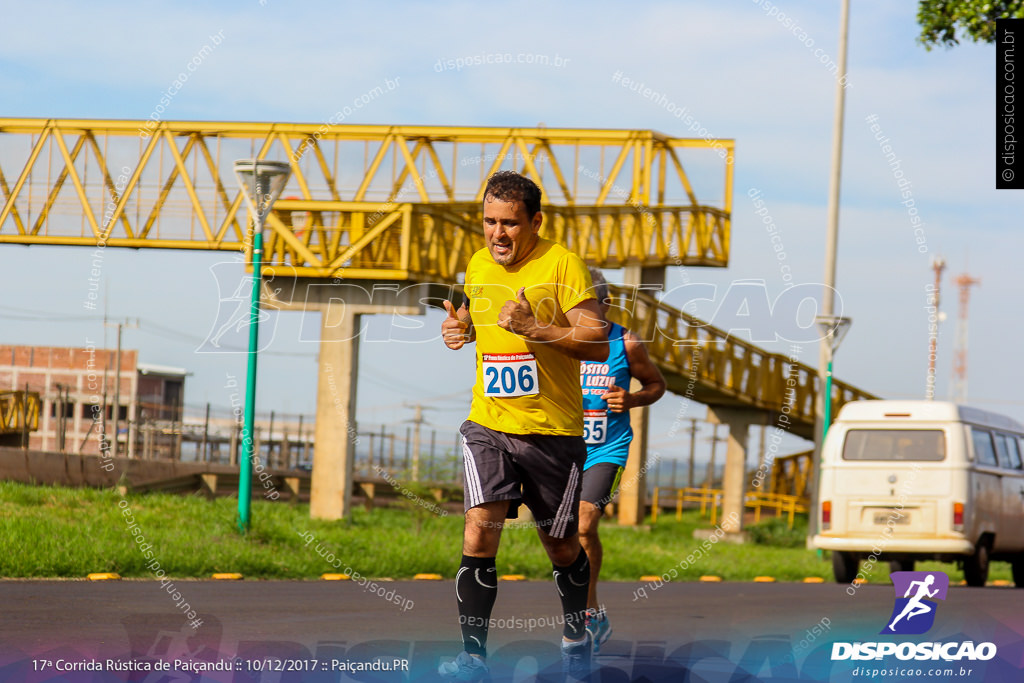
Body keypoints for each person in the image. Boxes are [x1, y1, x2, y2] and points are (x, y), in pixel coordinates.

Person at [438, 171, 609, 681]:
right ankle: (472, 657)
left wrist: (537, 328)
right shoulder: (476, 264)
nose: (498, 234)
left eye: (509, 223)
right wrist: (460, 330)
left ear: (535, 221)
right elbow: (475, 321)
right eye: (489, 221)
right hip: (489, 422)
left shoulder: (562, 264)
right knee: (478, 530)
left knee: (561, 546)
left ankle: (577, 634)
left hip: (553, 432)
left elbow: (597, 341)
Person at [577, 267, 666, 653]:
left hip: (606, 448)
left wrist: (631, 399)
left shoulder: (626, 342)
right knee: (560, 536)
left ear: (605, 304)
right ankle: (587, 607)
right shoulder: (559, 338)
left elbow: (656, 385)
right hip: (563, 448)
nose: (578, 313)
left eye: (586, 305)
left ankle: (587, 610)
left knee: (583, 525)